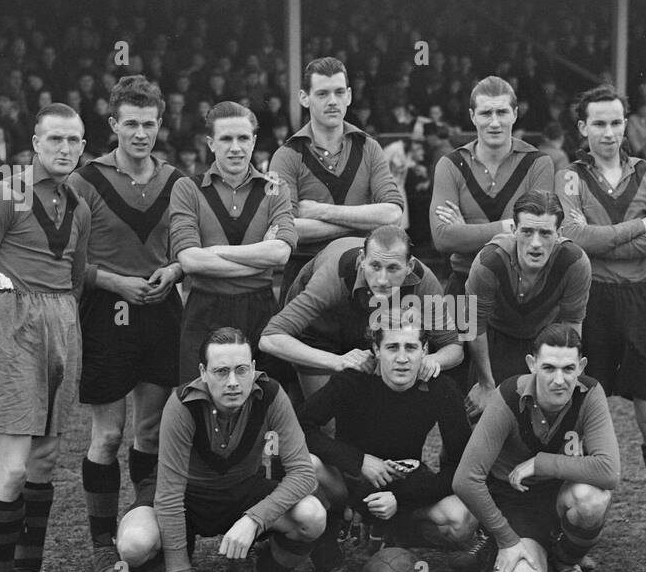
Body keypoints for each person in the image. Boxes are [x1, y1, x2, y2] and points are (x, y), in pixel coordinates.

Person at [0, 103, 93, 572]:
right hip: (13, 327)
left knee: (43, 463)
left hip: (62, 326)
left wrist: (61, 322)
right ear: (35, 142)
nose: (64, 149)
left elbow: (76, 279)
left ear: (83, 146)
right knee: (11, 468)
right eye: (54, 139)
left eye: (73, 141)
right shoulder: (1, 197)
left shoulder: (79, 205)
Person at [114, 328, 326, 572]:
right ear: (203, 373)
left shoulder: (271, 395)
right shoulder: (182, 404)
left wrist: (254, 519)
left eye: (241, 370)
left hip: (244, 491)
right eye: (221, 371)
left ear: (253, 368)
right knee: (133, 543)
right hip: (185, 495)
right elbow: (170, 498)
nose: (232, 382)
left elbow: (303, 475)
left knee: (313, 517)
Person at [557, 85, 646, 551]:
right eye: (598, 123)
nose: (608, 132)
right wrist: (634, 227)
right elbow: (574, 237)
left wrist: (610, 240)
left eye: (616, 122)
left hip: (640, 302)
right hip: (588, 300)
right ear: (583, 128)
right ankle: (574, 527)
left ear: (626, 125)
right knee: (576, 422)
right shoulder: (569, 177)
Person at [68, 75, 189, 572]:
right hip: (105, 313)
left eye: (149, 124)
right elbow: (69, 262)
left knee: (150, 430)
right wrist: (117, 282)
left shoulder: (177, 180)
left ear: (160, 125)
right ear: (113, 124)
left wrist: (175, 271)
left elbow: (187, 245)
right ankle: (101, 544)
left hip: (161, 311)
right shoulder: (85, 180)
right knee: (109, 432)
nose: (140, 133)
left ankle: (143, 529)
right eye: (130, 124)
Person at [296, 318, 479, 572]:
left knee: (461, 519)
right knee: (309, 464)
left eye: (411, 347)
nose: (403, 358)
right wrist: (358, 461)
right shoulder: (352, 380)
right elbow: (300, 427)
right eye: (392, 347)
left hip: (403, 485)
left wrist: (401, 497)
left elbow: (462, 466)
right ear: (375, 350)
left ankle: (390, 534)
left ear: (425, 350)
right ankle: (330, 559)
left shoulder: (440, 387)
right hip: (350, 481)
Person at [453, 324, 619, 572]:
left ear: (581, 367)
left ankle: (565, 561)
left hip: (557, 500)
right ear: (532, 365)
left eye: (568, 369)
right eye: (548, 368)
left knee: (593, 498)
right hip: (514, 505)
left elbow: (608, 471)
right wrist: (507, 540)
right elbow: (466, 480)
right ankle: (494, 549)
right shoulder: (507, 397)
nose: (559, 379)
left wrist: (542, 462)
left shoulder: (590, 393)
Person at [168, 101, 295, 383]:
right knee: (200, 401)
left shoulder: (275, 188)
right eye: (226, 139)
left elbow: (280, 254)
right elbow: (189, 260)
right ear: (211, 143)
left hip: (260, 308)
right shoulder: (187, 188)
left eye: (243, 138)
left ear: (254, 141)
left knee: (261, 401)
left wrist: (213, 252)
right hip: (205, 308)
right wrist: (258, 261)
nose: (235, 147)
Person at [260, 225, 464, 399]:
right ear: (362, 260)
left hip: (375, 333)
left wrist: (431, 361)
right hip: (321, 330)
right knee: (326, 422)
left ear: (409, 266)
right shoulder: (331, 278)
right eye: (375, 266)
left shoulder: (425, 281)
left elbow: (454, 347)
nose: (382, 279)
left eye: (393, 268)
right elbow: (269, 338)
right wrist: (337, 361)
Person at [268, 57, 403, 291]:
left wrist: (322, 211)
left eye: (339, 92)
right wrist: (363, 226)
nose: (333, 101)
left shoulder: (369, 147)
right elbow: (283, 227)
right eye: (322, 94)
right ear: (304, 97)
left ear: (349, 96)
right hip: (305, 275)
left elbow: (392, 213)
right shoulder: (287, 154)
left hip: (362, 274)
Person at [464, 189, 591, 417]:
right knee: (479, 419)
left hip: (545, 341)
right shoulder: (488, 262)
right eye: (527, 232)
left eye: (545, 233)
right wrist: (486, 384)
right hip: (493, 340)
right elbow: (473, 326)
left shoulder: (575, 262)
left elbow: (572, 321)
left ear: (559, 232)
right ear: (514, 230)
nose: (535, 243)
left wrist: (566, 378)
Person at [430, 76, 554, 298]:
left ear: (515, 114)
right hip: (462, 286)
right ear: (472, 116)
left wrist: (467, 231)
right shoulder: (450, 164)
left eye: (502, 112)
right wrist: (511, 225)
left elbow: (536, 235)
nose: (495, 122)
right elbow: (443, 238)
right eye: (486, 113)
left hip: (520, 287)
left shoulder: (538, 163)